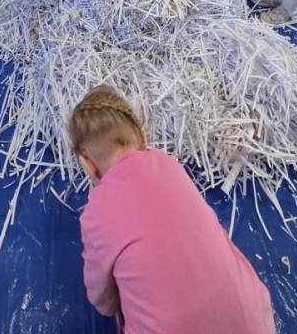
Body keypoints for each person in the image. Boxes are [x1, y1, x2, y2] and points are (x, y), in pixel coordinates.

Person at [71, 85, 276, 334]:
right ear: (143, 139)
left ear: (88, 165)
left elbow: (103, 301)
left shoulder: (95, 214)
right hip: (256, 323)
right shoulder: (169, 165)